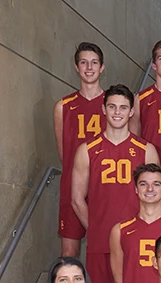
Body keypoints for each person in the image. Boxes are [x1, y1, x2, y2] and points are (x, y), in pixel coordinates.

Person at [71, 84, 159, 283]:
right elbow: (77, 199)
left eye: (124, 107)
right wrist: (97, 230)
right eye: (113, 107)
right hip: (102, 242)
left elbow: (155, 195)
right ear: (104, 109)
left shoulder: (146, 150)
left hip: (139, 244)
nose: (118, 113)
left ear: (132, 111)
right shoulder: (88, 149)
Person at [54, 42, 105, 257]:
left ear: (102, 67)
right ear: (76, 67)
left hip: (104, 186)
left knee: (106, 250)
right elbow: (63, 153)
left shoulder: (113, 105)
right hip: (72, 186)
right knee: (69, 253)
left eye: (94, 63)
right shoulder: (63, 106)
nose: (89, 67)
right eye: (84, 62)